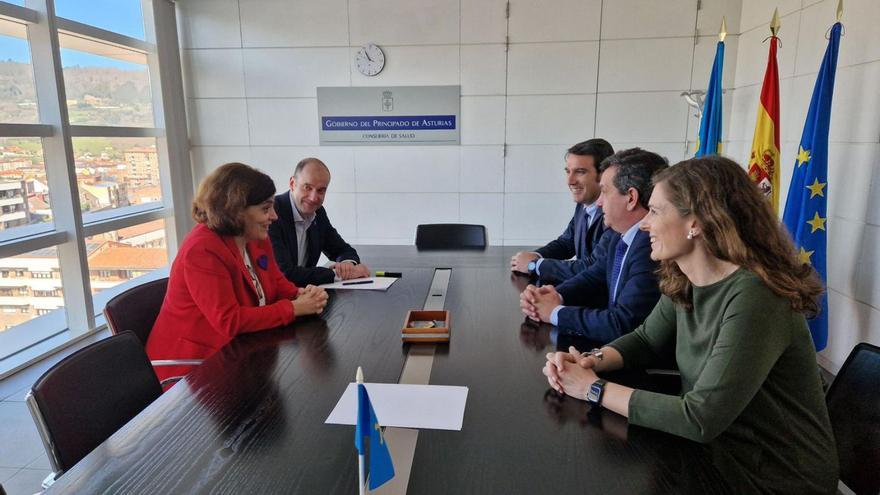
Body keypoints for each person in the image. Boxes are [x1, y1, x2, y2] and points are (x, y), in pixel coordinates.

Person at [543, 156, 838, 493]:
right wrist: (589, 360)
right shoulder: (685, 276)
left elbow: (699, 418)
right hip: (714, 453)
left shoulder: (757, 297)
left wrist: (592, 388)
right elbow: (645, 339)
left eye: (655, 211)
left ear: (695, 223)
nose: (644, 224)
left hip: (773, 477)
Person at [146, 163, 328, 384]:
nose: (274, 216)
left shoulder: (255, 237)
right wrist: (293, 308)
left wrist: (301, 294)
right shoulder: (202, 249)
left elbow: (277, 282)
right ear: (236, 210)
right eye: (265, 208)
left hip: (240, 354)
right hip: (193, 371)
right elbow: (229, 321)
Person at [521, 148, 667, 344]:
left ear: (631, 198)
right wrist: (554, 295)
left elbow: (623, 324)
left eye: (605, 192)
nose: (599, 203)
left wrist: (556, 313)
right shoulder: (619, 235)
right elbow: (593, 276)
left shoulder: (651, 247)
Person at [511, 138, 615, 283]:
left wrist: (534, 265)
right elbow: (567, 243)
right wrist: (535, 255)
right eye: (568, 172)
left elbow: (592, 266)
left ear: (603, 174)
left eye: (580, 172)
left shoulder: (615, 214)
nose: (570, 181)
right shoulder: (583, 205)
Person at [269, 157, 370, 286]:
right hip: (274, 300)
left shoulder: (318, 212)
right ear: (292, 184)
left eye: (321, 190)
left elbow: (342, 250)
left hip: (304, 295)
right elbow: (286, 273)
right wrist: (337, 275)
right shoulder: (272, 213)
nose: (313, 197)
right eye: (307, 187)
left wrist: (347, 265)